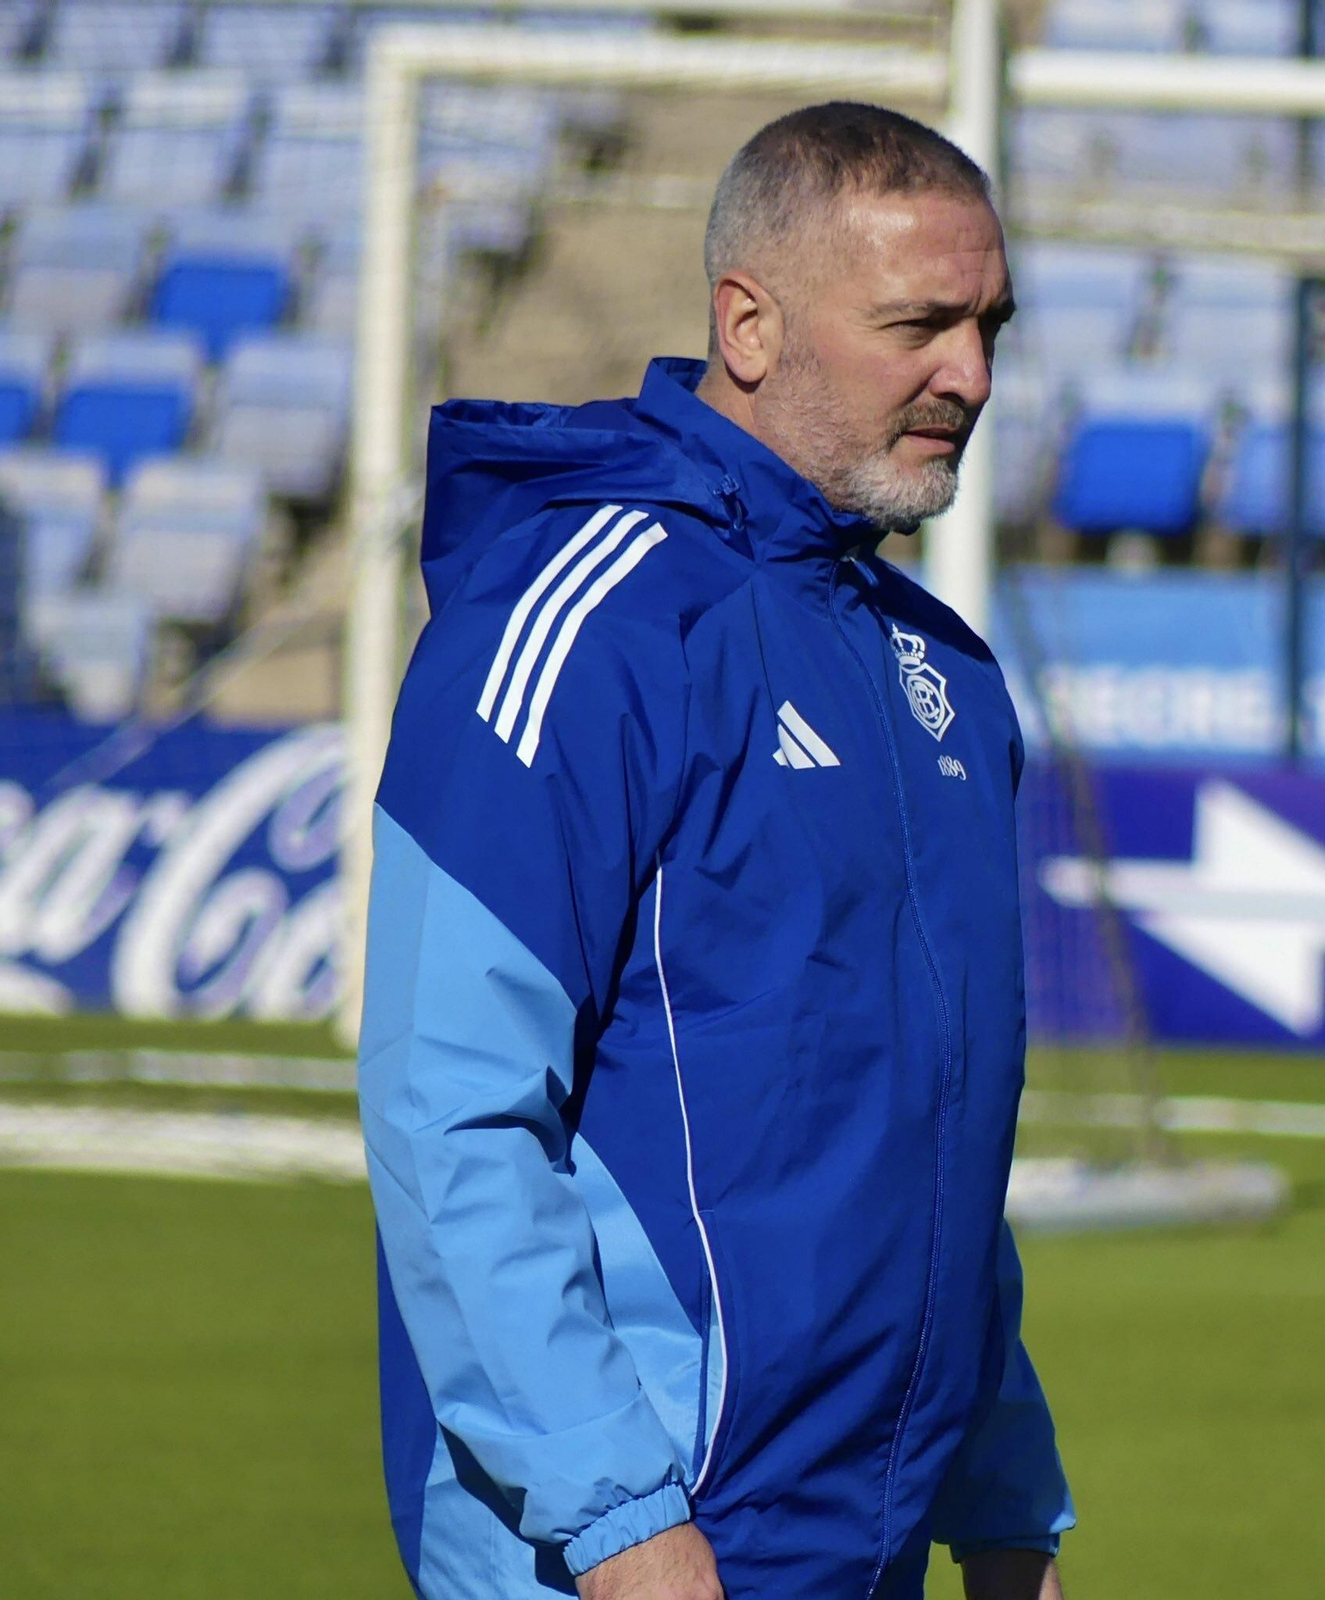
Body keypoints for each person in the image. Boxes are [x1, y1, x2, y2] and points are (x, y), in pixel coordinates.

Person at [358, 100, 1073, 1600]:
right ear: (748, 325)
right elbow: (453, 1112)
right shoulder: (578, 627)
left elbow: (933, 1149)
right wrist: (624, 1524)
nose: (973, 376)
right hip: (632, 1556)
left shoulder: (936, 675)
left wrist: (1008, 1504)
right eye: (919, 324)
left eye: (990, 323)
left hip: (858, 1550)